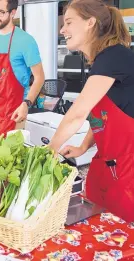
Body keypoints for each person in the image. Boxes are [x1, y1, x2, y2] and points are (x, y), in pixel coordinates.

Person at [49, 0, 134, 222]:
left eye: (68, 22)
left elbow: (77, 114)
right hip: (106, 161)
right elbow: (102, 117)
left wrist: (49, 150)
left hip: (128, 168)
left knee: (119, 236)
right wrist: (83, 147)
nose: (62, 30)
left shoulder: (114, 56)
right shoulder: (100, 61)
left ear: (90, 23)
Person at [0, 0, 45, 136]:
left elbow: (39, 77)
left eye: (0, 12)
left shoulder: (26, 41)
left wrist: (26, 104)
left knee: (12, 155)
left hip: (17, 110)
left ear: (13, 13)